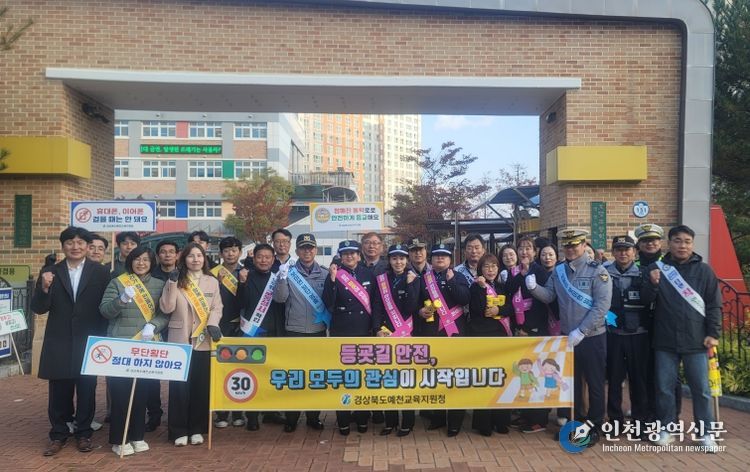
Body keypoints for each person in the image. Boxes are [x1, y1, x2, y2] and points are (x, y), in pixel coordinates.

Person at [526, 228, 612, 446]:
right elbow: (549, 296)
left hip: (592, 336)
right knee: (572, 383)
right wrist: (534, 288)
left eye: (574, 245)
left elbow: (602, 306)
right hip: (567, 338)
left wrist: (582, 330)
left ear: (583, 245)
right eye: (567, 245)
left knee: (594, 383)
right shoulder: (559, 271)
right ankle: (576, 422)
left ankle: (594, 426)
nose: (571, 249)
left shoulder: (597, 271)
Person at [641, 225, 721, 450]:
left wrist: (713, 333)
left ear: (692, 244)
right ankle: (667, 429)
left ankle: (706, 434)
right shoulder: (657, 269)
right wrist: (653, 284)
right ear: (669, 243)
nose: (682, 246)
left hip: (697, 340)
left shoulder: (704, 271)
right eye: (677, 241)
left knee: (701, 390)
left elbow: (714, 304)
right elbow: (645, 301)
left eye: (687, 241)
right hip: (665, 340)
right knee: (664, 388)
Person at [31, 226, 110, 457]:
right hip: (59, 339)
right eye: (70, 243)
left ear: (87, 246)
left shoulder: (100, 272)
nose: (75, 247)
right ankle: (58, 434)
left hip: (89, 339)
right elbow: (38, 308)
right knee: (59, 391)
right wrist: (44, 288)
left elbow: (106, 307)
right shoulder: (50, 272)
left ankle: (84, 433)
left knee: (87, 388)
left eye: (80, 243)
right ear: (63, 246)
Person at [99, 246, 167, 456]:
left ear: (152, 263)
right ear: (130, 261)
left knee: (141, 393)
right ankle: (119, 439)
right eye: (137, 259)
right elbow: (105, 311)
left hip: (146, 345)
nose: (141, 263)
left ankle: (137, 436)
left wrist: (154, 325)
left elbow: (165, 314)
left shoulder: (160, 285)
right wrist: (121, 300)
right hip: (121, 346)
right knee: (120, 394)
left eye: (146, 259)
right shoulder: (118, 282)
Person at [156, 242, 223, 446]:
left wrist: (213, 324)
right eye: (191, 256)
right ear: (184, 259)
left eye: (199, 256)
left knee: (201, 386)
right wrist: (171, 283)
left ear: (204, 258)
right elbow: (166, 308)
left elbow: (217, 307)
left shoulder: (212, 282)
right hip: (180, 340)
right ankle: (178, 431)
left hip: (203, 339)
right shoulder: (176, 280)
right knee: (179, 388)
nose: (195, 259)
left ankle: (197, 428)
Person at [273, 233, 329, 433]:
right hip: (294, 332)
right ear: (296, 251)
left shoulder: (325, 274)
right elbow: (280, 299)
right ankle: (292, 418)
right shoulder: (288, 272)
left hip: (317, 331)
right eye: (303, 248)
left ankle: (313, 417)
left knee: (315, 376)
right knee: (294, 376)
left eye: (310, 247)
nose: (307, 251)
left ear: (316, 250)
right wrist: (281, 278)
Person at [415, 243, 471, 436]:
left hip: (454, 334)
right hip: (432, 333)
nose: (440, 258)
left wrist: (452, 281)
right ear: (431, 259)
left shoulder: (458, 276)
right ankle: (437, 417)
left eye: (444, 256)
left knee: (455, 378)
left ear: (450, 259)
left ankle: (455, 422)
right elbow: (415, 303)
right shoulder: (423, 279)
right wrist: (420, 311)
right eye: (436, 255)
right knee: (435, 378)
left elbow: (464, 299)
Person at [323, 240, 376, 435]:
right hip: (342, 332)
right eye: (345, 253)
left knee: (362, 379)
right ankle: (343, 421)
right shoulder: (335, 274)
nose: (349, 256)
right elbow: (327, 302)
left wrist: (375, 328)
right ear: (340, 256)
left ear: (359, 255)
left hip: (364, 331)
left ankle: (362, 419)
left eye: (353, 253)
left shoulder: (368, 274)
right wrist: (332, 280)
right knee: (343, 379)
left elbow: (375, 303)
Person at [504, 237, 552, 433]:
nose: (524, 252)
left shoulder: (540, 272)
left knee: (536, 374)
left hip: (535, 329)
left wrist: (529, 327)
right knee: (523, 373)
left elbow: (543, 302)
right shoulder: (515, 271)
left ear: (534, 252)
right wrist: (520, 274)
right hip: (519, 328)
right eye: (521, 248)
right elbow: (509, 291)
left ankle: (539, 419)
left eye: (528, 248)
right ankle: (525, 414)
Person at [372, 244, 420, 437]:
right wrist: (377, 329)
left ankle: (407, 422)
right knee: (388, 379)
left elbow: (411, 307)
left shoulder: (413, 278)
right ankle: (390, 422)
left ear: (406, 260)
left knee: (406, 380)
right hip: (386, 333)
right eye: (394, 258)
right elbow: (376, 306)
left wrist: (409, 285)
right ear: (389, 260)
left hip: (407, 334)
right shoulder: (382, 280)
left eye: (401, 258)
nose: (398, 262)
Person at [237, 243, 285, 430]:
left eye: (267, 257)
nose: (263, 260)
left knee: (272, 375)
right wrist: (242, 284)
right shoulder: (246, 276)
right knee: (254, 375)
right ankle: (252, 416)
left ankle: (271, 412)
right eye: (260, 257)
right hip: (253, 333)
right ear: (254, 258)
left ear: (273, 260)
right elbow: (240, 303)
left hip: (275, 333)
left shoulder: (278, 277)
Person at [634, 223, 680, 421]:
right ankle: (649, 413)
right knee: (645, 373)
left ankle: (672, 416)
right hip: (641, 327)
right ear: (639, 244)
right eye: (645, 240)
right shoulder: (634, 266)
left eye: (653, 240)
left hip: (666, 327)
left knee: (669, 375)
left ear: (660, 242)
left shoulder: (671, 265)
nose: (650, 243)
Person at [605, 235, 651, 431]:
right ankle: (615, 421)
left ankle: (640, 421)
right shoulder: (604, 273)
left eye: (627, 249)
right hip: (613, 335)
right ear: (613, 252)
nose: (623, 253)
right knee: (614, 380)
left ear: (635, 252)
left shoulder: (644, 273)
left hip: (638, 335)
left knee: (638, 380)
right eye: (619, 249)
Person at [467, 253, 512, 436]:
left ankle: (501, 421)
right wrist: (482, 288)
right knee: (484, 380)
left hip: (500, 337)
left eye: (494, 266)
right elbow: (476, 309)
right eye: (486, 266)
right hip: (481, 337)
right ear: (480, 269)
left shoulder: (502, 286)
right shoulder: (475, 287)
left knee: (501, 379)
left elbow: (510, 308)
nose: (490, 270)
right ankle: (483, 423)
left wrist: (498, 309)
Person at [212, 236, 246, 429]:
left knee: (239, 368)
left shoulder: (246, 272)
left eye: (234, 250)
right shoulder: (213, 273)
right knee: (220, 369)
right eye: (226, 251)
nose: (230, 254)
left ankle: (238, 411)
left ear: (240, 252)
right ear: (221, 253)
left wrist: (243, 283)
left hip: (241, 327)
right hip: (220, 327)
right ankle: (221, 412)